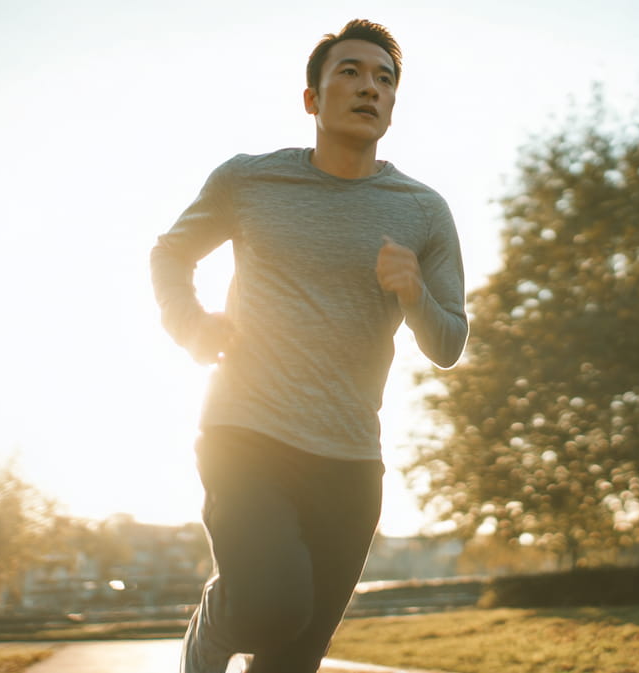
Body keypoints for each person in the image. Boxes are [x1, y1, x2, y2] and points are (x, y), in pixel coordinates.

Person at [150, 19, 468, 673]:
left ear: (393, 104)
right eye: (350, 72)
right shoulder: (249, 181)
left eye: (384, 79)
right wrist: (191, 324)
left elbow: (449, 343)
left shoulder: (423, 210)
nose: (369, 87)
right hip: (245, 434)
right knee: (270, 605)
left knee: (292, 661)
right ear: (312, 98)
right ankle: (217, 622)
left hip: (350, 459)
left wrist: (414, 293)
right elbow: (171, 253)